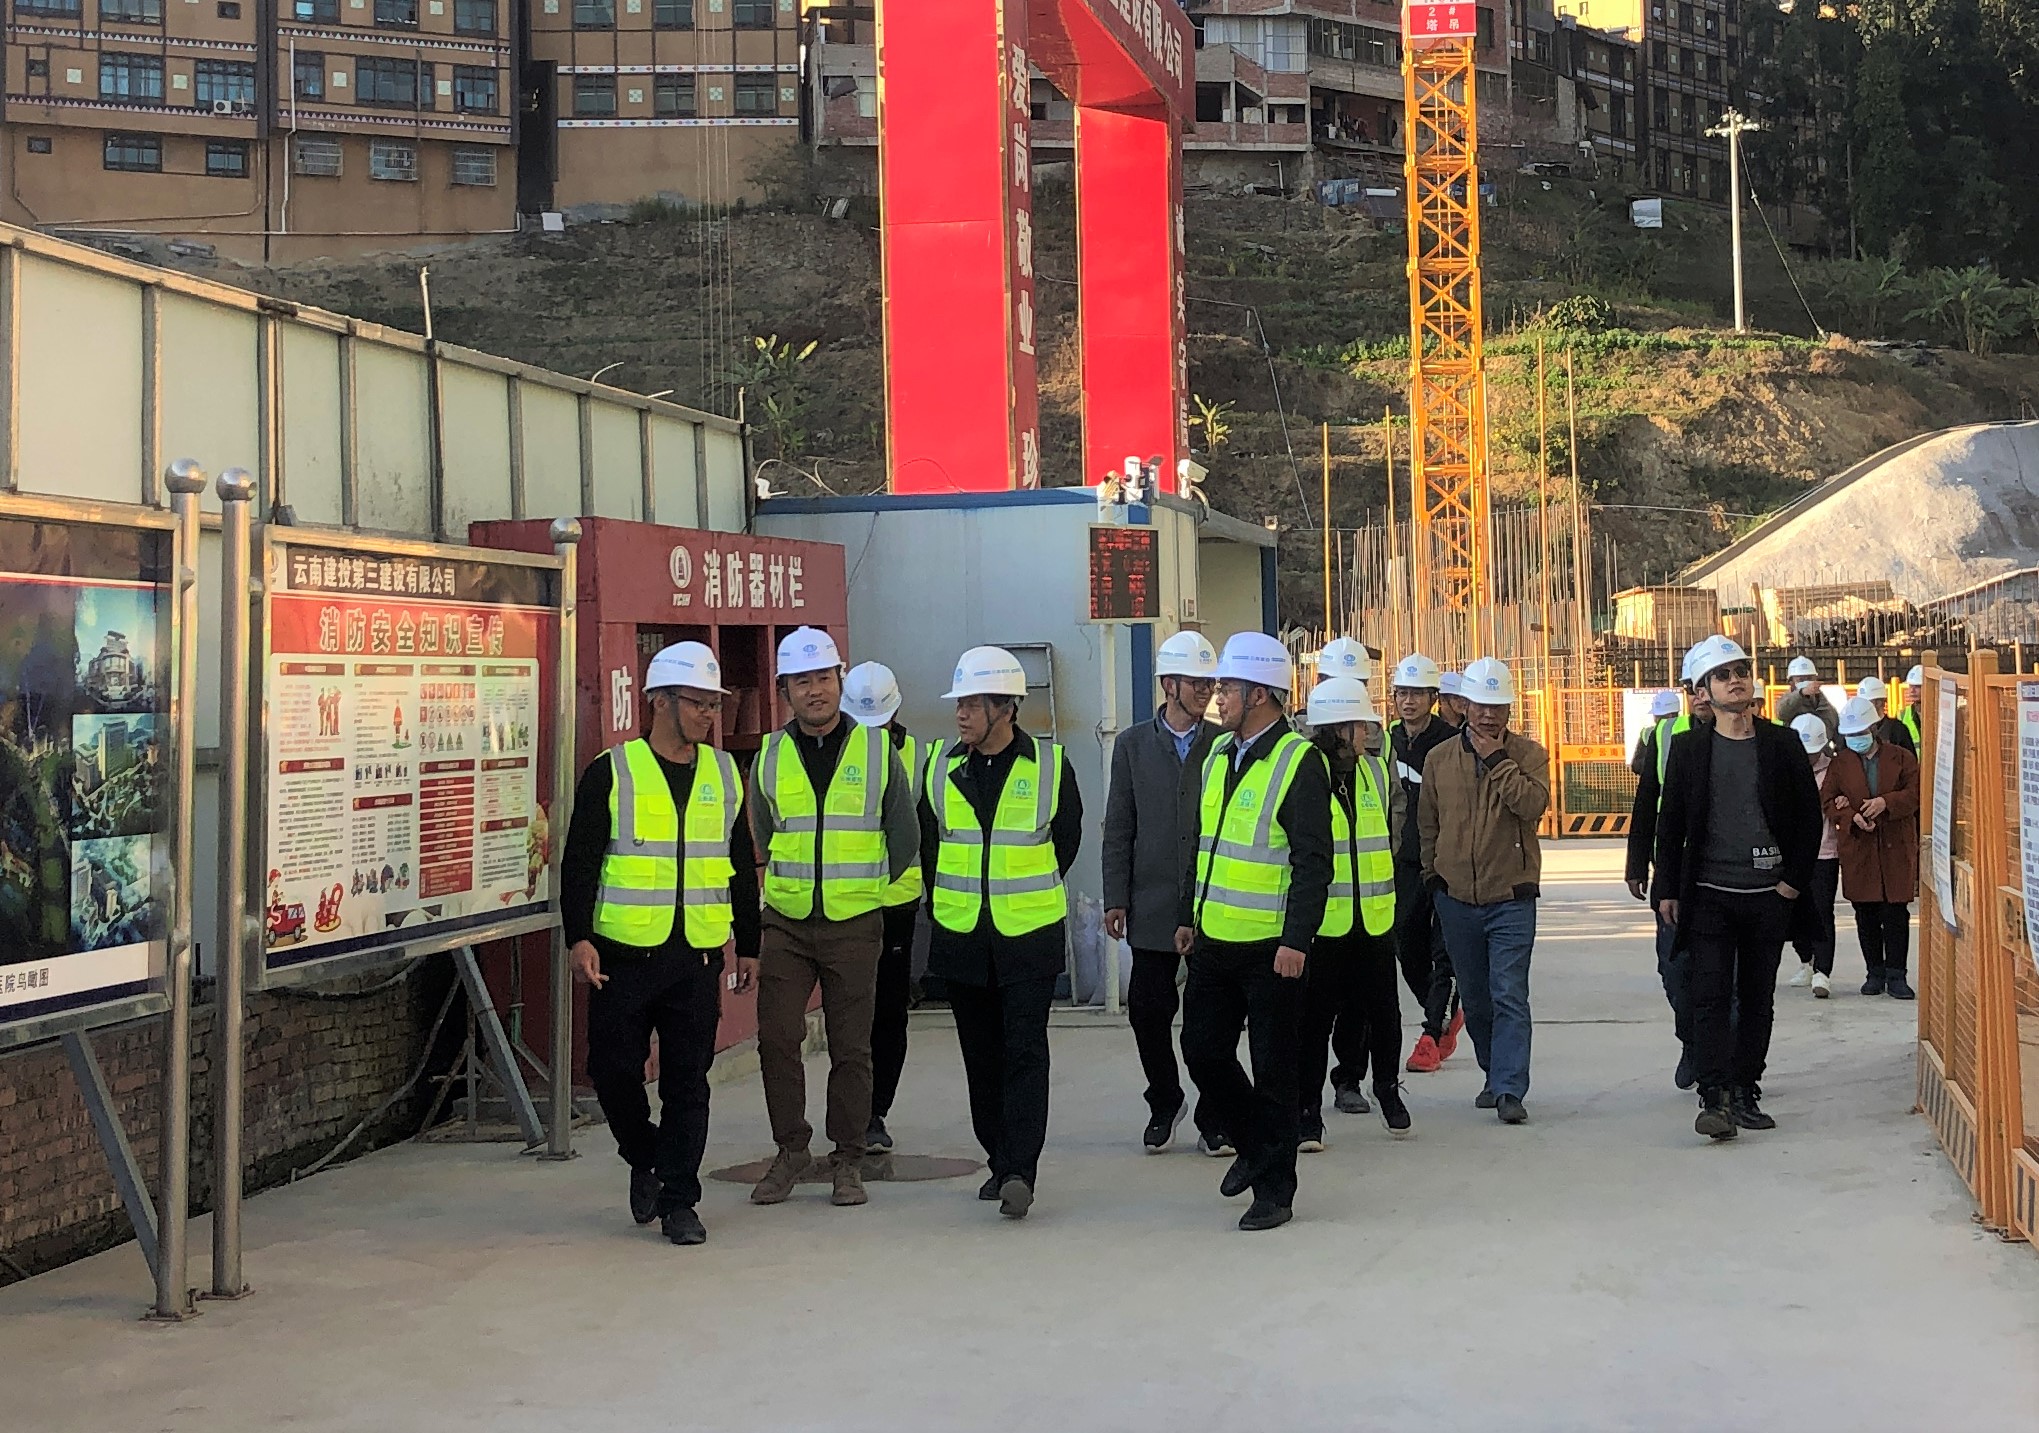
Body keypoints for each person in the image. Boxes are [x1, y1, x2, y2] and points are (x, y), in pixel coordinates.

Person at [563, 641, 757, 1247]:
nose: (709, 715)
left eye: (714, 705)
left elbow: (739, 863)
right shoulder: (613, 771)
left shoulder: (724, 774)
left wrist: (749, 944)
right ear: (659, 702)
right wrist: (579, 938)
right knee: (612, 1073)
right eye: (698, 703)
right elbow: (580, 861)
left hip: (696, 955)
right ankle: (645, 1156)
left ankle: (680, 1201)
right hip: (622, 956)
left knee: (687, 1084)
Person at [748, 627, 919, 1209]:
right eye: (802, 682)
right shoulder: (770, 755)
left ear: (839, 682)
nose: (815, 690)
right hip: (786, 922)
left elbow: (904, 835)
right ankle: (791, 1150)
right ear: (785, 691)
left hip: (854, 923)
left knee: (852, 1047)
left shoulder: (876, 751)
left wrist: (865, 890)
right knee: (777, 1038)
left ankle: (848, 1158)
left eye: (823, 678)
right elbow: (763, 832)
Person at [1175, 631, 1332, 1232]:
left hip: (1272, 947)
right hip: (1215, 939)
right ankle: (1256, 1145)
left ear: (1261, 694)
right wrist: (1188, 915)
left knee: (1274, 1071)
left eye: (1228, 687)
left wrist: (1297, 939)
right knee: (1202, 1051)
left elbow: (1313, 862)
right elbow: (1204, 843)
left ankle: (1275, 1191)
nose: (1218, 697)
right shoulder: (1218, 754)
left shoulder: (1299, 762)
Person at [921, 645, 1084, 1218]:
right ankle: (999, 1157)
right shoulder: (939, 765)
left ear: (1005, 708)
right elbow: (929, 844)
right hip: (962, 938)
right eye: (959, 704)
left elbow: (1066, 840)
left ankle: (1020, 1170)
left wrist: (1020, 890)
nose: (960, 714)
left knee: (1024, 1052)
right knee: (981, 1059)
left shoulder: (1050, 765)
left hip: (1028, 936)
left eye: (971, 704)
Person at [1653, 635, 1824, 1142]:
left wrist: (1791, 884)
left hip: (1767, 896)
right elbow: (1671, 822)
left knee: (1755, 998)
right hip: (1708, 894)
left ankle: (1746, 1089)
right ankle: (1715, 1098)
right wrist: (1666, 886)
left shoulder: (1781, 744)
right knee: (1707, 995)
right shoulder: (1689, 749)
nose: (1735, 680)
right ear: (1704, 690)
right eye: (1723, 675)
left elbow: (1808, 820)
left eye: (1741, 671)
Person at [1101, 630, 1228, 1156]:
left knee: (1209, 1023)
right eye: (1195, 682)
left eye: (1209, 683)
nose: (1205, 691)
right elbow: (1119, 826)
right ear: (1168, 684)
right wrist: (1115, 897)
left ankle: (1214, 1115)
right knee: (1147, 1012)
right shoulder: (1132, 746)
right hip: (1151, 904)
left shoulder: (1222, 744)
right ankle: (1164, 1099)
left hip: (1210, 905)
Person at [1421, 657, 1549, 1125]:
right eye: (1480, 705)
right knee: (1476, 998)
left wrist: (1497, 760)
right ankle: (1494, 1074)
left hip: (1511, 896)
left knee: (1509, 993)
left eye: (1497, 706)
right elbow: (1428, 824)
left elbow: (1531, 805)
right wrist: (1434, 878)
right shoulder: (1439, 760)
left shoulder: (1529, 755)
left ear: (1510, 709)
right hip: (1456, 899)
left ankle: (1511, 1087)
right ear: (1463, 705)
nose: (1488, 715)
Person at [1296, 676, 1409, 1150]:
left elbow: (1389, 828)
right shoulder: (1306, 775)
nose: (1368, 733)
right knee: (1313, 1023)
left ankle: (1387, 1087)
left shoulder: (1374, 771)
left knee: (1385, 1015)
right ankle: (1307, 1113)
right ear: (1338, 729)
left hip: (1375, 918)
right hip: (1325, 925)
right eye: (1360, 726)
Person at [842, 659, 922, 1155]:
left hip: (897, 904)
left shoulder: (919, 756)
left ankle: (875, 1113)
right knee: (850, 1013)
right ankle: (849, 1111)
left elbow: (928, 830)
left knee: (888, 1013)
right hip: (845, 904)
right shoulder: (835, 753)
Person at [1626, 649, 1716, 1090]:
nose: (1701, 696)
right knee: (1674, 969)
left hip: (1727, 873)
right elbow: (1647, 803)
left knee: (1727, 977)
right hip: (1674, 872)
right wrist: (1636, 863)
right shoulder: (1666, 735)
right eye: (1694, 688)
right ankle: (1693, 1043)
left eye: (1709, 685)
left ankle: (1725, 1065)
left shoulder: (1752, 736)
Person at [1385, 653, 1462, 1078]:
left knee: (1443, 951)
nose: (1408, 701)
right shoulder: (1385, 743)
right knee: (1406, 945)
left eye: (1417, 693)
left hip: (1447, 863)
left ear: (1434, 698)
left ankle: (1432, 1034)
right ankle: (1444, 1012)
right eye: (1402, 693)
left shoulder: (1452, 743)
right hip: (1402, 863)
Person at [1826, 695, 1921, 1000]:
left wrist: (1886, 803)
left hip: (1895, 844)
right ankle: (1874, 973)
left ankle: (1897, 974)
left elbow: (1915, 794)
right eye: (1850, 735)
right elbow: (1828, 800)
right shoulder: (1840, 764)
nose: (1856, 739)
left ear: (1875, 728)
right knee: (1865, 911)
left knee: (1895, 912)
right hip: (1860, 847)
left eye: (1860, 733)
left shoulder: (1901, 758)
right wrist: (1850, 815)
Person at [1784, 712, 1842, 998]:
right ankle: (1805, 960)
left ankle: (1823, 971)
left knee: (1821, 911)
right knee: (1793, 911)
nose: (1808, 758)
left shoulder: (1834, 771)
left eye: (1813, 752)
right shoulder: (1784, 768)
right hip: (1792, 854)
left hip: (1824, 852)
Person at [1775, 655, 1839, 746]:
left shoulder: (1827, 708)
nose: (1806, 682)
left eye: (1809, 678)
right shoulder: (1787, 703)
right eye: (1800, 680)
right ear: (1791, 682)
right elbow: (1781, 713)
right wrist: (1801, 693)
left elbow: (1837, 735)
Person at [1855, 676, 1916, 756]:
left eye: (1866, 702)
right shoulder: (1854, 730)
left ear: (1879, 702)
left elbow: (1910, 759)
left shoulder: (1897, 730)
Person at [1901, 665, 1925, 749]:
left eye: (1917, 686)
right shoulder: (1902, 715)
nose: (1912, 690)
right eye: (1911, 686)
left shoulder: (1940, 714)